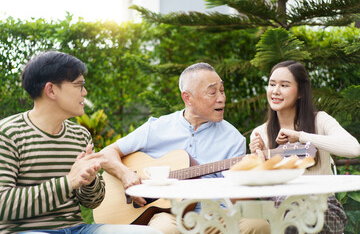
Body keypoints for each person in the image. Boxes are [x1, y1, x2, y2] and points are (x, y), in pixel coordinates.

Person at [0, 51, 161, 234]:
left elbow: (92, 202)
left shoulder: (80, 135)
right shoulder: (7, 134)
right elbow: (2, 205)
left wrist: (89, 181)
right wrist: (68, 182)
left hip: (77, 229)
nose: (84, 92)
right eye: (79, 86)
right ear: (51, 90)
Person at [100, 63, 269, 233]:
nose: (221, 98)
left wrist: (253, 175)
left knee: (258, 226)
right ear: (188, 98)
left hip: (217, 217)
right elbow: (106, 154)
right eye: (212, 92)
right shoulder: (157, 128)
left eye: (222, 90)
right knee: (162, 229)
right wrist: (126, 174)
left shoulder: (234, 139)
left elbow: (235, 200)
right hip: (169, 216)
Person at [249, 60, 360, 233]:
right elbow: (265, 194)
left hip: (322, 208)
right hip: (280, 210)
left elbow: (354, 149)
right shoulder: (260, 134)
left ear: (300, 92)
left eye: (284, 85)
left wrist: (302, 136)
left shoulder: (320, 121)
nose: (275, 91)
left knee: (296, 215)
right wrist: (259, 160)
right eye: (272, 84)